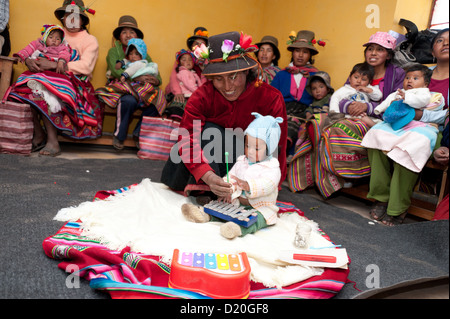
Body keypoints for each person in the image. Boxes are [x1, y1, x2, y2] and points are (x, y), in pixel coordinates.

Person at [160, 31, 288, 205]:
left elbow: (276, 146)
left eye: (234, 77)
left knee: (231, 138)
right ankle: (204, 189)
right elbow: (187, 139)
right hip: (203, 161)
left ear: (246, 71)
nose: (228, 86)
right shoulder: (201, 96)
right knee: (211, 131)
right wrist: (208, 175)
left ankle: (222, 192)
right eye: (218, 79)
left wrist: (271, 185)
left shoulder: (270, 98)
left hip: (244, 164)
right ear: (211, 78)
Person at [288, 31, 406, 198]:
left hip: (376, 120)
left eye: (379, 49)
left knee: (337, 128)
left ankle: (345, 174)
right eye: (370, 48)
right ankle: (317, 176)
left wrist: (366, 107)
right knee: (315, 122)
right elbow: (343, 94)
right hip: (349, 114)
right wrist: (350, 105)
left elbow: (396, 104)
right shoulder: (360, 69)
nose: (373, 53)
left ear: (388, 55)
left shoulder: (397, 74)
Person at [364, 30, 449, 226]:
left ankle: (397, 207)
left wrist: (421, 115)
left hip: (435, 130)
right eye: (440, 40)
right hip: (402, 124)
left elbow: (444, 114)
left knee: (409, 149)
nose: (445, 44)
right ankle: (381, 197)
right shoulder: (415, 72)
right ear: (432, 50)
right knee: (377, 138)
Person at [8, 0, 101, 157]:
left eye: (76, 17)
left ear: (83, 20)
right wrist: (28, 60)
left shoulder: (89, 40)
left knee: (43, 92)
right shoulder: (53, 34)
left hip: (75, 82)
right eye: (68, 16)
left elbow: (86, 67)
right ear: (63, 19)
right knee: (23, 91)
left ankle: (52, 141)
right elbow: (35, 48)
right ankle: (39, 134)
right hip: (46, 76)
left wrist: (52, 65)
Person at [181, 112, 283, 239]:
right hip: (238, 202)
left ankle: (237, 229)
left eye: (256, 149)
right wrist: (227, 188)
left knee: (258, 219)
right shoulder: (242, 160)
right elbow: (231, 176)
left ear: (270, 148)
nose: (250, 151)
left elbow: (268, 184)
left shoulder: (272, 167)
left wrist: (248, 185)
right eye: (247, 146)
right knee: (222, 207)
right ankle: (205, 215)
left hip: (261, 207)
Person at [105, 15, 165, 151]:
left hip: (142, 89)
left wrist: (155, 80)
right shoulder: (114, 51)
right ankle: (119, 136)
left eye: (132, 32)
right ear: (119, 36)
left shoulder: (143, 53)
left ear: (137, 36)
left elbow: (156, 73)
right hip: (123, 87)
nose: (128, 35)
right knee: (129, 101)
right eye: (124, 32)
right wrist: (137, 78)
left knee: (158, 101)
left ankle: (139, 133)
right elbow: (116, 72)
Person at [271, 30, 322, 151]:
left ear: (310, 55)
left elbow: (322, 96)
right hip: (283, 109)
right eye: (297, 51)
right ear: (292, 53)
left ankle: (286, 150)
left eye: (305, 52)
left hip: (304, 111)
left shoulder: (316, 75)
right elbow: (271, 96)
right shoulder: (281, 74)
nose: (300, 55)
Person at [373, 64, 435, 130]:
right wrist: (379, 108)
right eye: (407, 78)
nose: (409, 81)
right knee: (378, 130)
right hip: (396, 118)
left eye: (415, 78)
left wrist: (406, 97)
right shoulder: (401, 91)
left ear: (425, 83)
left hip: (414, 121)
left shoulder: (423, 91)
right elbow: (389, 99)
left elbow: (422, 101)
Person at [165, 27, 209, 106]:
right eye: (196, 44)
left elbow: (208, 81)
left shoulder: (207, 62)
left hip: (198, 94)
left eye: (202, 44)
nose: (199, 46)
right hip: (181, 91)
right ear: (191, 46)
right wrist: (177, 92)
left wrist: (204, 69)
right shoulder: (183, 57)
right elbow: (174, 76)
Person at [329, 62, 382, 127]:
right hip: (350, 116)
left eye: (363, 79)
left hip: (364, 116)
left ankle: (377, 129)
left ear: (369, 82)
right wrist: (336, 114)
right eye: (356, 77)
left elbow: (378, 96)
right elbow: (334, 98)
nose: (359, 81)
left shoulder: (367, 88)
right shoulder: (344, 89)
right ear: (350, 78)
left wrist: (368, 90)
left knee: (379, 123)